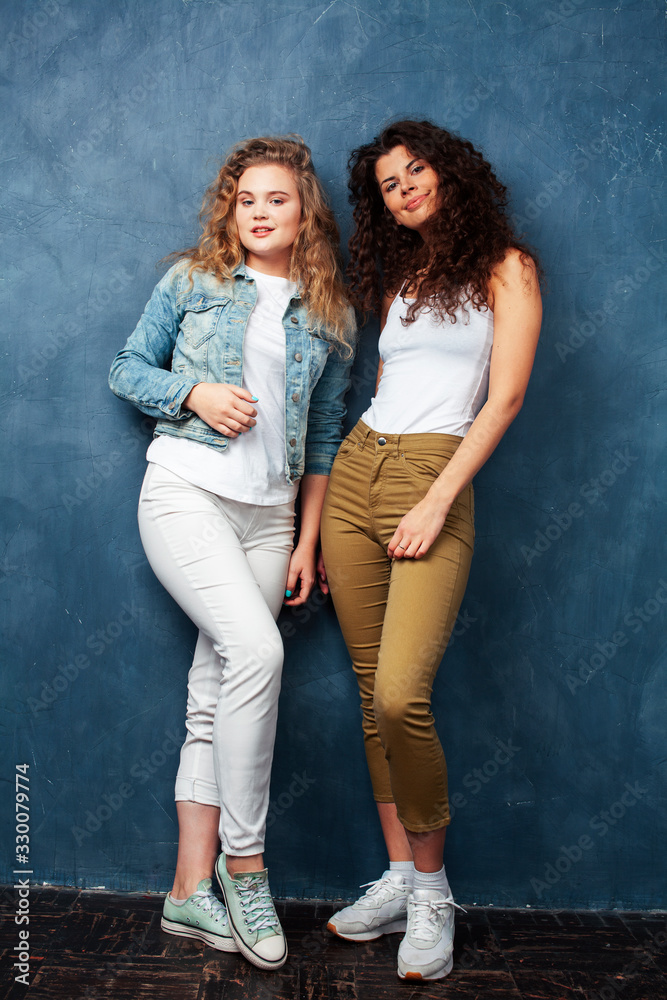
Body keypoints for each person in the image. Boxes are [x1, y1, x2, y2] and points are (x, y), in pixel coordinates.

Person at [108, 136, 355, 972]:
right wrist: (194, 392)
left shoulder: (329, 310)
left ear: (303, 211)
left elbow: (322, 434)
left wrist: (307, 539)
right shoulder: (193, 280)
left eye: (275, 198)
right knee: (255, 655)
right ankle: (245, 868)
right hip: (185, 491)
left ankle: (186, 893)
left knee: (214, 691)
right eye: (245, 197)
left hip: (271, 518)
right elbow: (126, 368)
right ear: (230, 207)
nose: (257, 211)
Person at [320, 119, 542, 981]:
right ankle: (400, 878)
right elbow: (389, 387)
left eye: (416, 171)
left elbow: (506, 395)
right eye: (387, 183)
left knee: (401, 695)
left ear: (449, 174)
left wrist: (438, 495)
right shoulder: (406, 277)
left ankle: (432, 894)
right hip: (358, 469)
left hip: (430, 476)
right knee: (370, 693)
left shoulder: (507, 266)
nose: (404, 187)